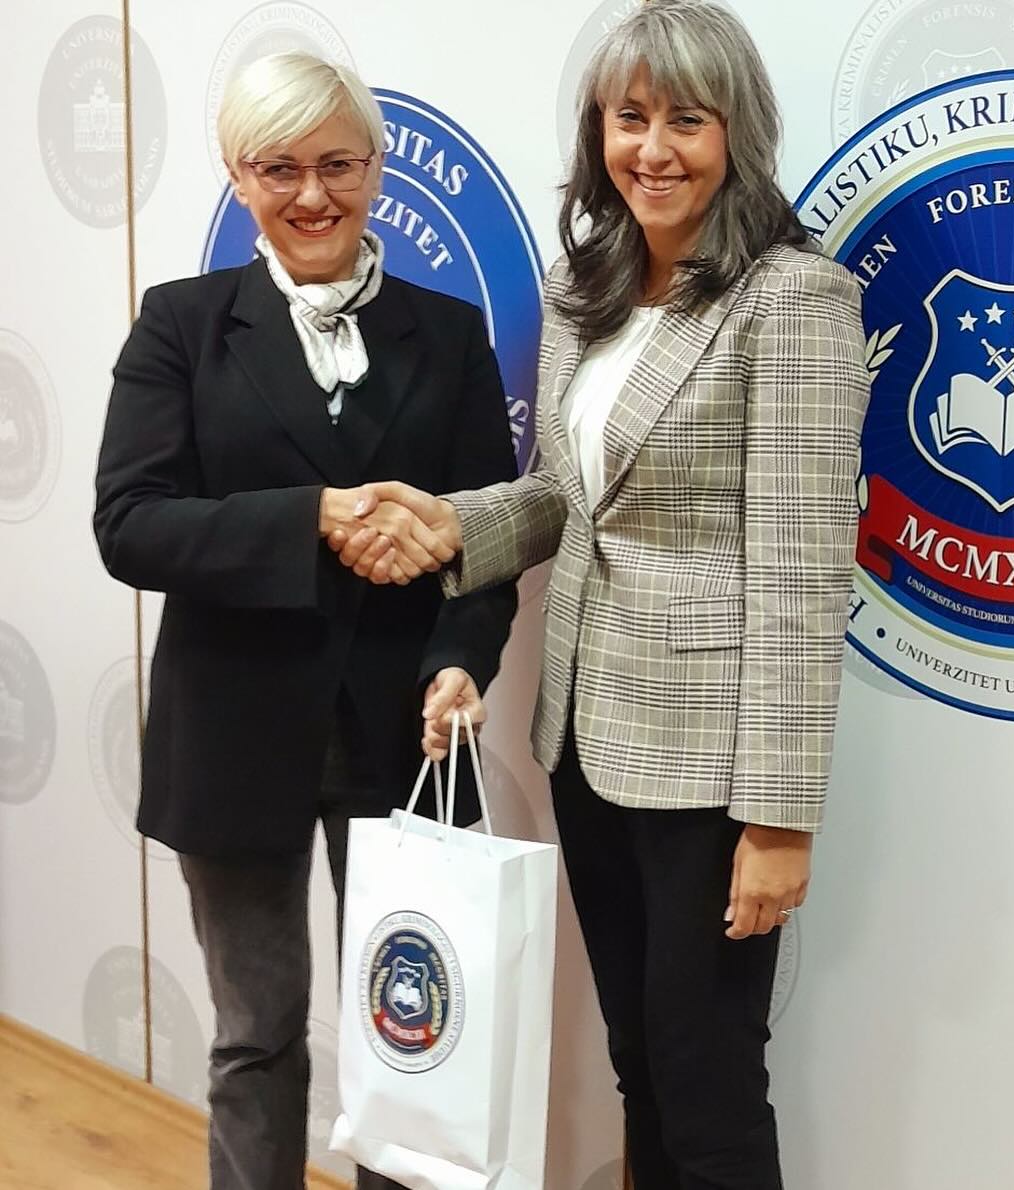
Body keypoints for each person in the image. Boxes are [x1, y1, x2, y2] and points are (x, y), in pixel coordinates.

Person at [337, 2, 868, 1186]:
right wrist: (452, 524)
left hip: (712, 773)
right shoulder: (589, 286)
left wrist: (780, 819)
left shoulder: (792, 298)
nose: (654, 149)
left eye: (688, 119)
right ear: (599, 132)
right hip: (584, 740)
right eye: (630, 118)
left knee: (709, 1083)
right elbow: (563, 497)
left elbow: (800, 573)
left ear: (737, 134)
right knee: (639, 1062)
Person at [92, 51, 517, 1190]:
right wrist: (310, 519)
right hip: (231, 736)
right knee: (255, 1037)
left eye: (338, 164)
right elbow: (130, 525)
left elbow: (484, 542)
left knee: (410, 1040)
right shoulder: (180, 325)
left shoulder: (451, 332)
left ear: (377, 168)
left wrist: (461, 662)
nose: (313, 194)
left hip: (407, 734)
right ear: (239, 176)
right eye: (280, 168)